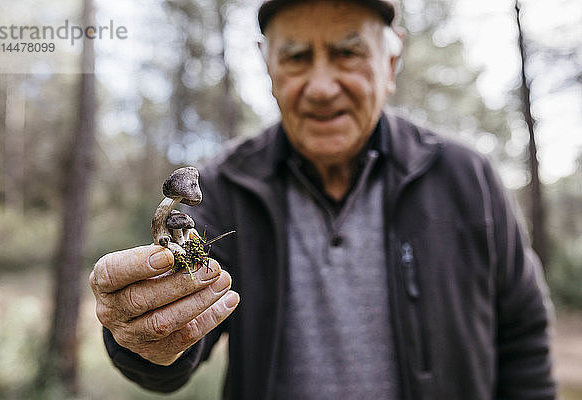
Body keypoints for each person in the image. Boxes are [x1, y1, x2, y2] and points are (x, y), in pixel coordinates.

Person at [89, 0, 556, 399]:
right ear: (267, 64)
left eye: (348, 52)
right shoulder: (226, 186)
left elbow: (524, 335)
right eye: (295, 57)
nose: (321, 87)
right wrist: (140, 336)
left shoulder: (467, 178)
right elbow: (173, 348)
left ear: (390, 63)